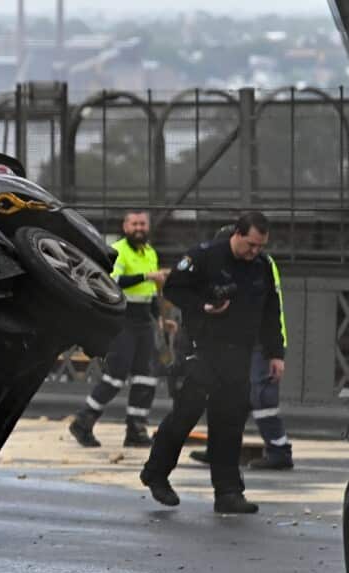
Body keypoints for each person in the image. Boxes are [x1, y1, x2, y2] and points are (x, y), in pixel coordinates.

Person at [140, 211, 285, 515]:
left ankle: (228, 492)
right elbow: (174, 287)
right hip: (202, 349)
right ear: (237, 234)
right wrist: (203, 305)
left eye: (261, 246)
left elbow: (271, 311)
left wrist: (275, 354)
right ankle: (156, 473)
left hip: (238, 354)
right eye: (251, 245)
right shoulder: (206, 256)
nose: (255, 251)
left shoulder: (261, 266)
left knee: (229, 422)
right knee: (186, 414)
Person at [69, 211, 167, 448]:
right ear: (125, 226)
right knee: (116, 375)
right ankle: (83, 421)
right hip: (123, 319)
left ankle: (136, 429)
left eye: (142, 224)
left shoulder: (150, 252)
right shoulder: (118, 251)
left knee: (146, 377)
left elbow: (151, 292)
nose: (139, 228)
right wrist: (146, 275)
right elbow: (113, 281)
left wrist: (159, 318)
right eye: (134, 224)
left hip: (144, 319)